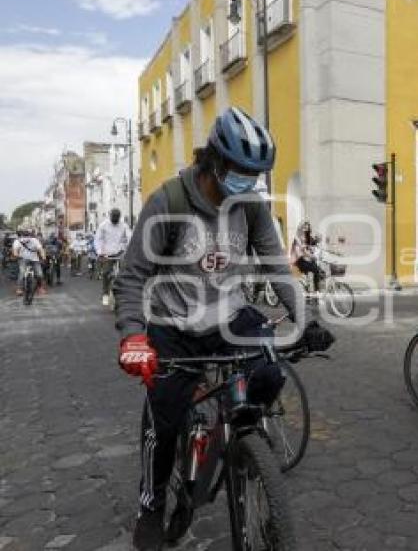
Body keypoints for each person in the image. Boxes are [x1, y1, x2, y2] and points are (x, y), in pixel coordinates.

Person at [113, 106, 333, 550]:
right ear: (214, 160)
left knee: (269, 372)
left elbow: (276, 267)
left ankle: (243, 447)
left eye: (256, 174)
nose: (249, 182)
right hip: (173, 327)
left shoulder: (249, 207)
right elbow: (132, 277)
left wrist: (305, 320)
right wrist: (134, 336)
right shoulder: (169, 201)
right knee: (165, 423)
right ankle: (153, 505)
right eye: (241, 171)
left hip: (230, 318)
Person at [95, 208, 132, 306]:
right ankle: (105, 294)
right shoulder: (103, 226)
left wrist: (130, 249)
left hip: (120, 252)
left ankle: (126, 294)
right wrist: (100, 252)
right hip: (108, 253)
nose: (115, 219)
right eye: (113, 217)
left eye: (117, 217)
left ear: (119, 217)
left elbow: (129, 237)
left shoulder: (124, 226)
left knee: (126, 273)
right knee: (106, 273)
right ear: (110, 216)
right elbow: (98, 239)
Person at [290, 220, 323, 292]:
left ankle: (313, 290)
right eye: (304, 228)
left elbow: (311, 247)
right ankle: (316, 292)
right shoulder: (297, 238)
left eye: (307, 229)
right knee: (316, 270)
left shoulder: (307, 238)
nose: (306, 230)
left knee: (319, 269)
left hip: (304, 259)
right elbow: (302, 252)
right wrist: (312, 256)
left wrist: (316, 244)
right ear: (301, 228)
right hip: (298, 261)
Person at [11, 229, 45, 295]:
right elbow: (15, 251)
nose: (25, 238)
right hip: (23, 259)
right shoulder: (17, 241)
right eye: (24, 236)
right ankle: (19, 288)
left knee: (39, 274)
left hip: (34, 259)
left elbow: (41, 249)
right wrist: (17, 256)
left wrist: (43, 256)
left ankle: (40, 287)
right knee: (22, 273)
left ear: (30, 236)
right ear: (21, 236)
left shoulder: (35, 240)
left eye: (27, 236)